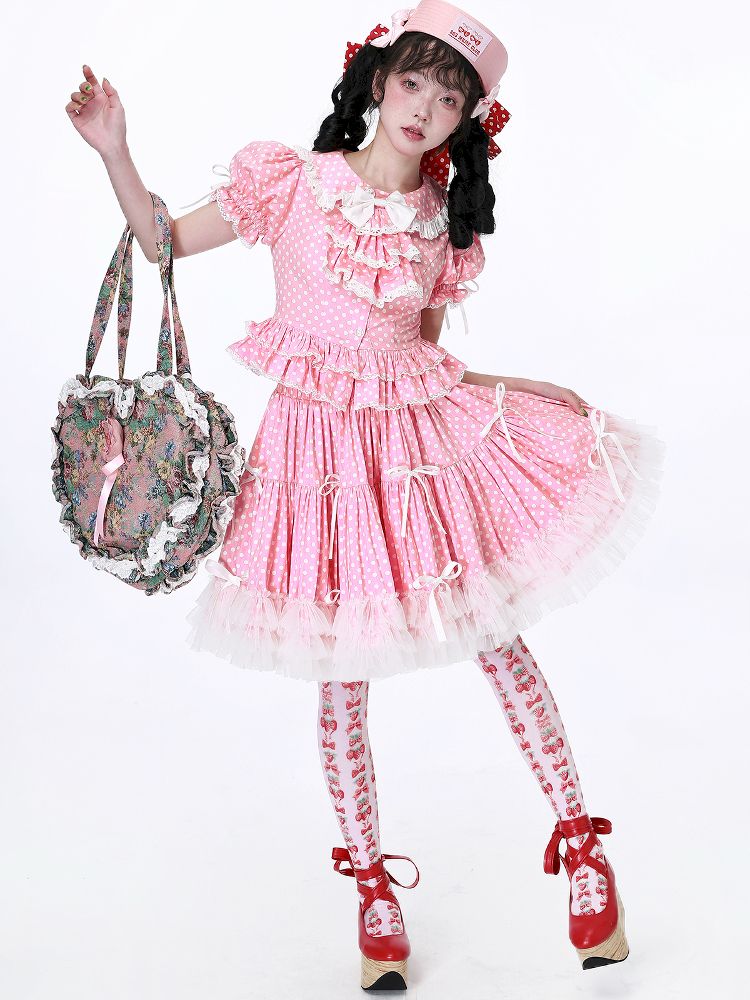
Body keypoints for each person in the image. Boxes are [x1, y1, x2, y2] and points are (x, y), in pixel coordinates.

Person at [66, 1, 665, 990]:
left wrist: (515, 389)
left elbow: (421, 361)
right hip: (316, 466)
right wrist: (115, 151)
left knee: (499, 640)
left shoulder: (442, 225)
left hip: (417, 456)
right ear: (378, 81)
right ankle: (373, 891)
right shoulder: (292, 184)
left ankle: (584, 848)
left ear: (469, 119)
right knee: (340, 675)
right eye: (414, 81)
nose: (425, 106)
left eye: (450, 97)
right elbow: (162, 241)